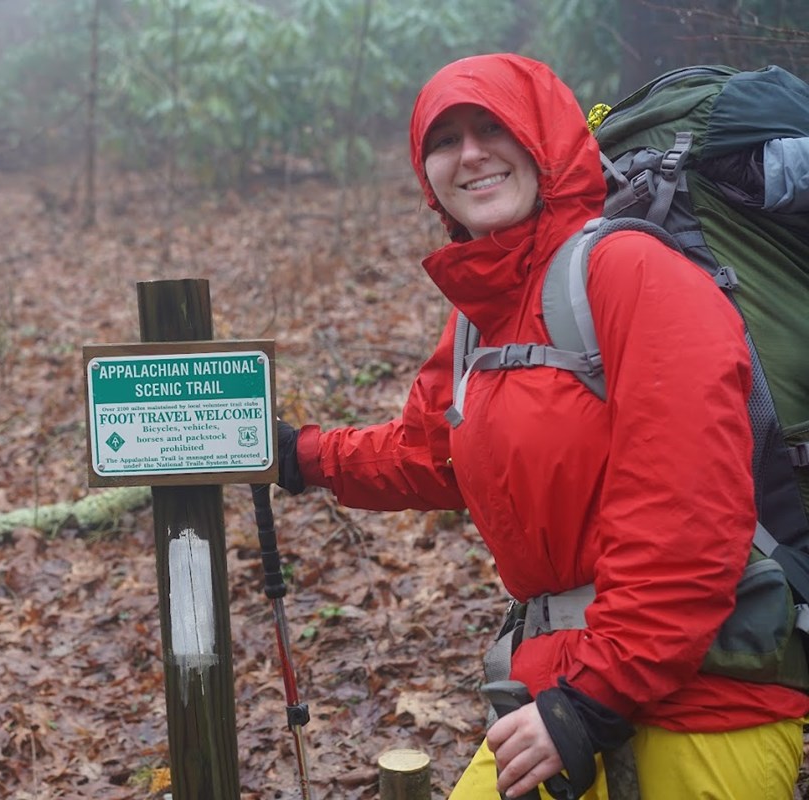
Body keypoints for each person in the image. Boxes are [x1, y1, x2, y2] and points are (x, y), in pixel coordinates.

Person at [276, 53, 809, 799]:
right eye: (445, 138)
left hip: (704, 701)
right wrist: (301, 457)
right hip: (562, 690)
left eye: (493, 127)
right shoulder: (482, 316)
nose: (470, 154)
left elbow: (687, 512)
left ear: (548, 141)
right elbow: (434, 454)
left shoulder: (631, 275)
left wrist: (593, 699)